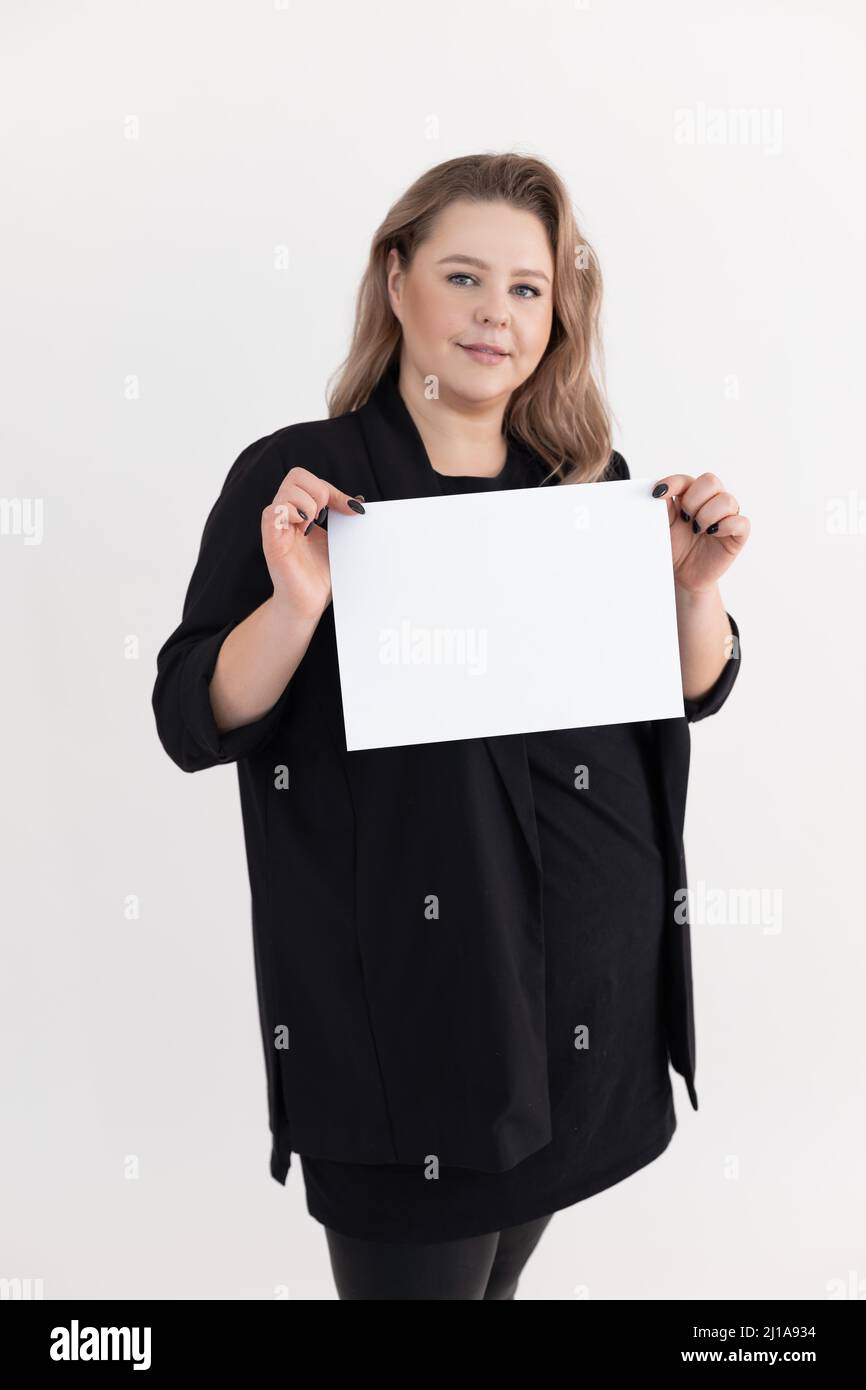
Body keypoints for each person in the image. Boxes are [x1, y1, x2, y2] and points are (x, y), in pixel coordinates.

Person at [152, 153, 749, 1300]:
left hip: (583, 1007)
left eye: (527, 288)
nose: (495, 314)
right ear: (395, 281)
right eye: (463, 277)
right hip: (406, 1027)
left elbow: (687, 689)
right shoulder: (300, 478)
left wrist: (694, 586)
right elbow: (191, 716)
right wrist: (292, 607)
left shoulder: (585, 481)